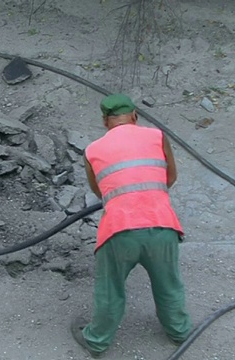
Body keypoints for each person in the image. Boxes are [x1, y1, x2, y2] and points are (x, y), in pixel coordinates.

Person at [70, 94, 192, 358]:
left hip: (118, 231)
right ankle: (179, 332)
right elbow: (170, 177)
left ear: (105, 121)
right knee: (169, 284)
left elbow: (101, 192)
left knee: (110, 288)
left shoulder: (92, 150)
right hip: (162, 225)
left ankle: (97, 341)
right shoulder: (158, 136)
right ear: (135, 116)